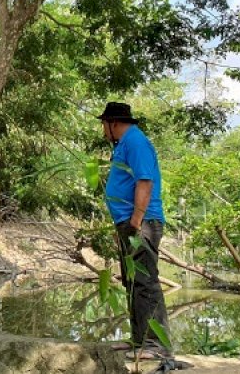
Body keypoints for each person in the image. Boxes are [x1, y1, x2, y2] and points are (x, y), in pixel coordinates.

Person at [97, 102, 172, 359]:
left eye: (104, 125)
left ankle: (156, 345)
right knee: (131, 281)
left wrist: (137, 219)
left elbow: (145, 180)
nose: (103, 130)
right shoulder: (124, 145)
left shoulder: (136, 142)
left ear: (113, 123)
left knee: (145, 281)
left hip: (141, 223)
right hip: (128, 223)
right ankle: (139, 339)